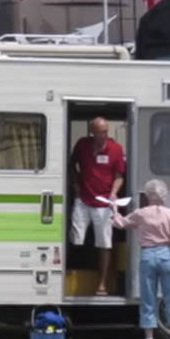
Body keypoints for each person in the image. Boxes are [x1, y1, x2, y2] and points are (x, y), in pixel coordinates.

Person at [110, 179, 170, 339]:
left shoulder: (141, 213)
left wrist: (114, 209)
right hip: (168, 256)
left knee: (148, 298)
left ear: (147, 196)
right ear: (164, 195)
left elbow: (120, 223)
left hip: (148, 256)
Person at [69, 117, 125, 296]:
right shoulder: (82, 145)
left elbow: (119, 176)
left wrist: (114, 193)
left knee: (104, 243)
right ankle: (67, 275)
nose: (104, 135)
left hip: (103, 202)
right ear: (91, 132)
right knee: (76, 238)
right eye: (100, 132)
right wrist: (76, 186)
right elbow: (71, 165)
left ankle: (102, 284)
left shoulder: (115, 148)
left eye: (106, 131)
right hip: (83, 199)